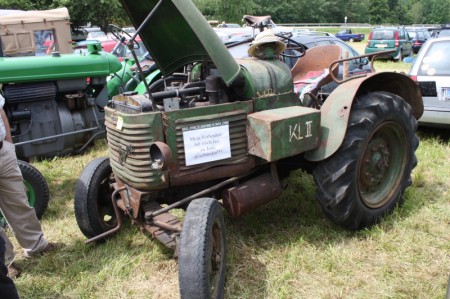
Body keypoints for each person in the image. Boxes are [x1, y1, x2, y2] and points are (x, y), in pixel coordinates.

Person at [0, 93, 62, 278]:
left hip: (2, 151)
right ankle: (5, 262)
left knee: (19, 200)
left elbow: (0, 110)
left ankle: (36, 245)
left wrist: (8, 142)